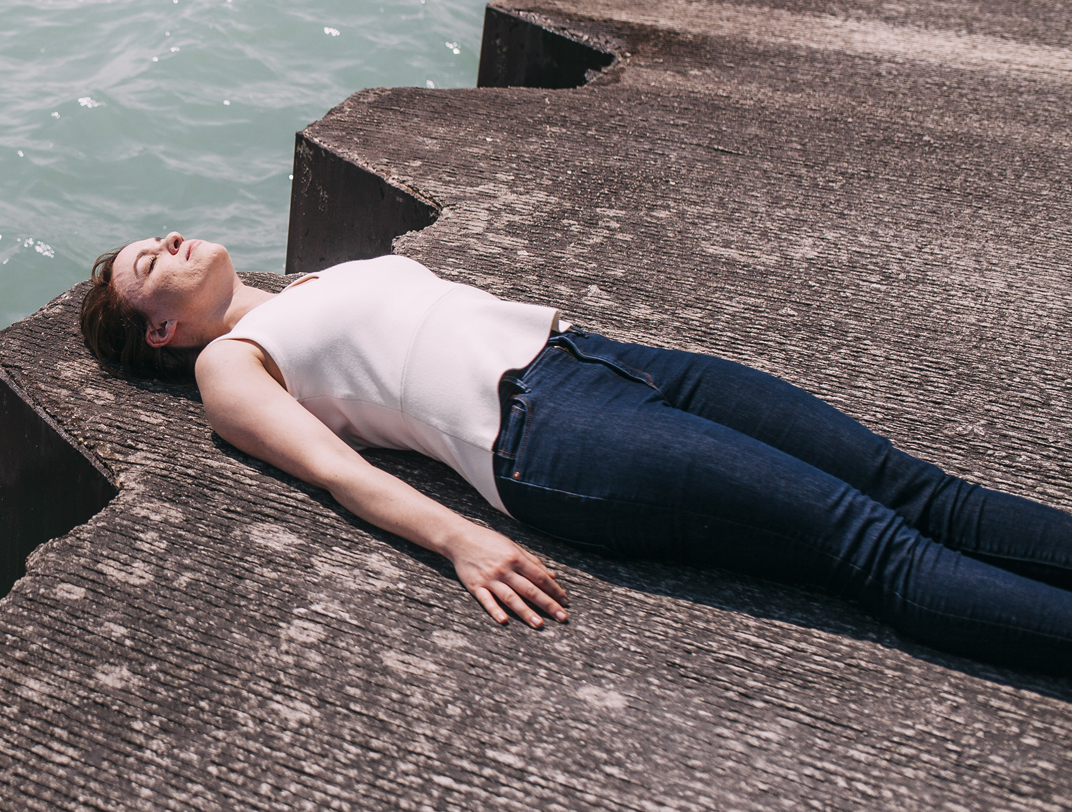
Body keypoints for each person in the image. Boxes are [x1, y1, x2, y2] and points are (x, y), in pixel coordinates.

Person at [82, 231, 1072, 671]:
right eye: (144, 262)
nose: (168, 238)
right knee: (868, 545)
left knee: (908, 483)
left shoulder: (306, 282)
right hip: (549, 435)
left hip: (594, 359)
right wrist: (459, 540)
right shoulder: (231, 364)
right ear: (158, 333)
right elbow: (336, 470)